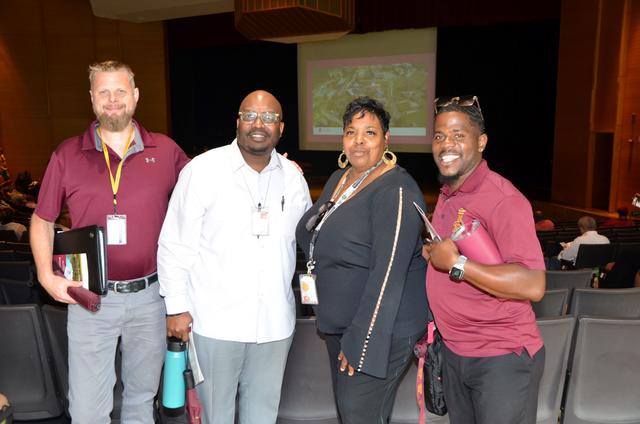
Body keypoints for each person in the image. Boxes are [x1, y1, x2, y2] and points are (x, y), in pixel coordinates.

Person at [30, 60, 190, 423]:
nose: (113, 99)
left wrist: (274, 163)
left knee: (139, 402)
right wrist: (45, 275)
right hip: (89, 300)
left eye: (120, 91)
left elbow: (208, 189)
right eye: (104, 92)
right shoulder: (67, 154)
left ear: (135, 96)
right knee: (87, 411)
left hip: (151, 299)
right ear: (91, 99)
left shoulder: (165, 151)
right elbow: (42, 219)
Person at [157, 90, 311, 424]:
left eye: (269, 117)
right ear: (238, 122)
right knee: (216, 416)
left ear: (281, 127)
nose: (259, 124)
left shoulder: (294, 179)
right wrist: (175, 308)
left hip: (273, 326)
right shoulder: (202, 171)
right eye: (250, 115)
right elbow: (174, 244)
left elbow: (310, 238)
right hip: (214, 324)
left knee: (263, 417)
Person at [295, 97, 429, 424]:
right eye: (350, 132)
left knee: (358, 414)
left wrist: (361, 341)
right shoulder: (339, 180)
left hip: (379, 330)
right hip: (342, 325)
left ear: (387, 139)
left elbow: (388, 276)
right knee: (355, 414)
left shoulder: (397, 189)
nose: (358, 141)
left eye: (369, 132)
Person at [423, 95, 545, 424]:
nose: (446, 144)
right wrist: (435, 253)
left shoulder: (503, 199)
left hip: (500, 359)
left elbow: (534, 285)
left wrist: (458, 265)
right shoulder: (449, 194)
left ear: (481, 142)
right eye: (439, 136)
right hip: (456, 353)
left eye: (458, 135)